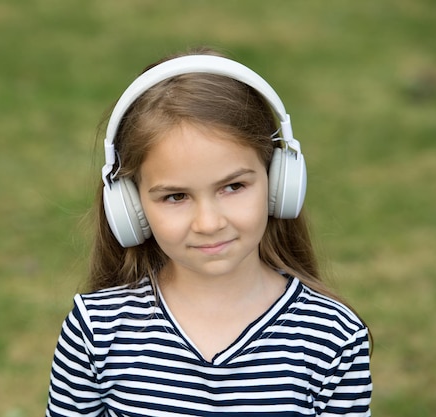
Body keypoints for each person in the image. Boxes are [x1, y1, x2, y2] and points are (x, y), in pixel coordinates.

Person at [45, 47, 372, 416]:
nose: (209, 223)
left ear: (278, 181)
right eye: (176, 196)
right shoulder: (97, 330)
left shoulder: (331, 335)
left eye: (233, 187)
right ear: (131, 207)